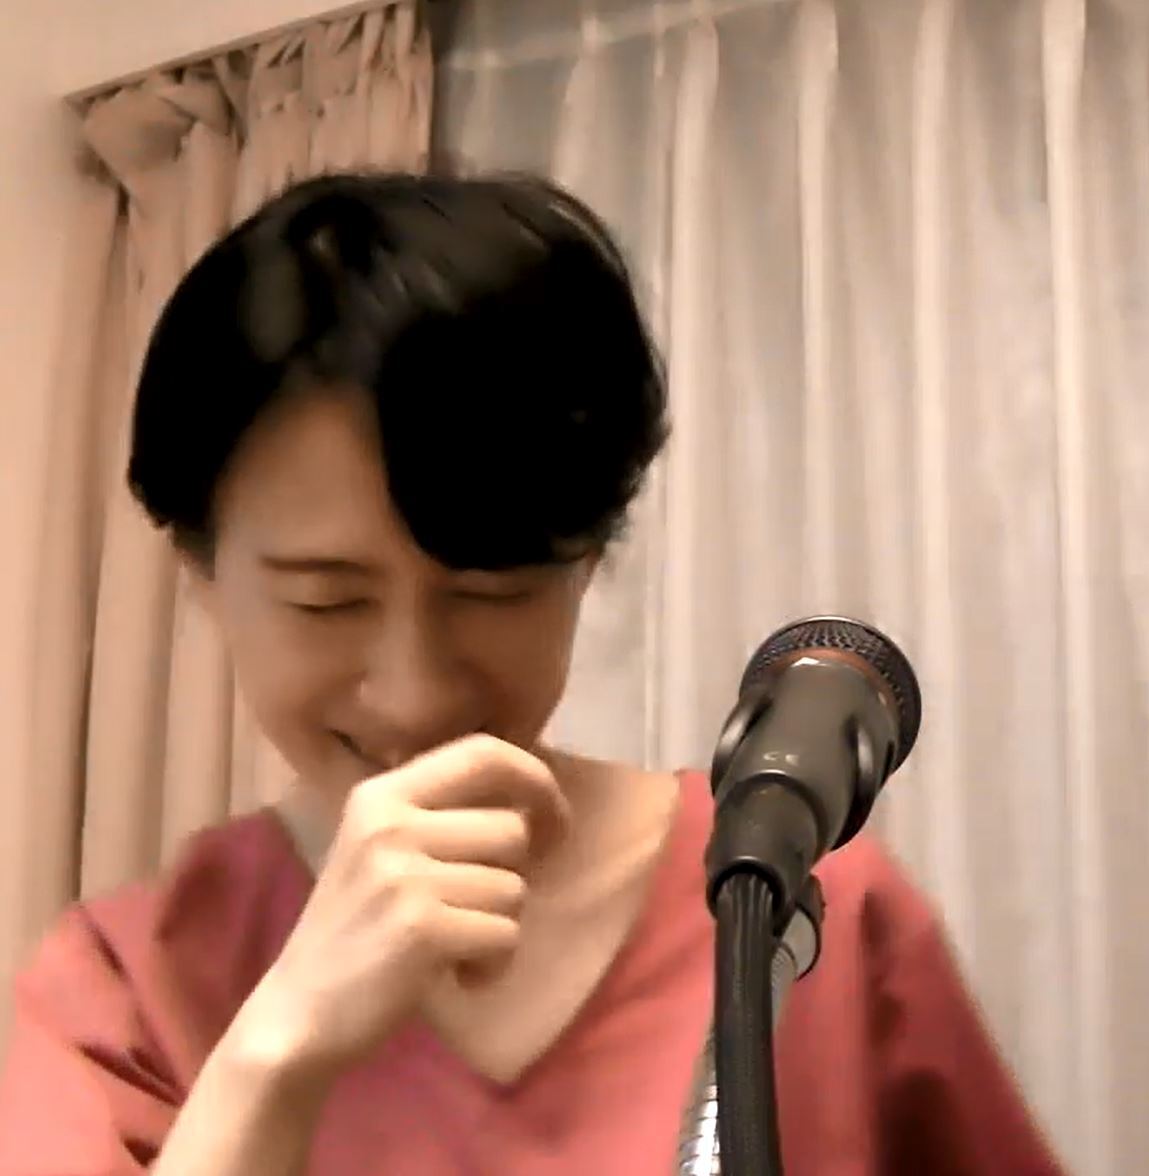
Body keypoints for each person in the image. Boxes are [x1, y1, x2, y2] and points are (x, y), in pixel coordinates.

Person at [0, 172, 1065, 1175]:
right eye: (328, 602)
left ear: (588, 561)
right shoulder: (128, 989)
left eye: (492, 594)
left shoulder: (792, 902)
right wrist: (278, 1052)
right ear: (199, 570)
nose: (414, 691)